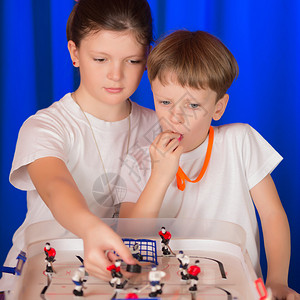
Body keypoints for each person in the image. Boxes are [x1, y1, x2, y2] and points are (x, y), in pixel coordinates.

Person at [117, 30, 299, 298]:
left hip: (236, 289)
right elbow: (130, 239)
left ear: (218, 107)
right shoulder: (138, 159)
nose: (175, 117)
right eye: (164, 102)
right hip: (166, 291)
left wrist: (278, 279)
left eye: (192, 105)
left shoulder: (240, 141)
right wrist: (159, 177)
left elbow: (272, 215)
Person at [0, 0, 159, 292]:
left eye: (132, 60)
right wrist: (90, 229)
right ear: (74, 52)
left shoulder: (159, 127)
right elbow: (55, 185)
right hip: (44, 273)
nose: (115, 74)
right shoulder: (45, 126)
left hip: (119, 276)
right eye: (100, 59)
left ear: (148, 56)